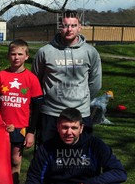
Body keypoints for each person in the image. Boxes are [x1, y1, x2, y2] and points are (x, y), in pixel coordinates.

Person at [32, 10, 102, 144]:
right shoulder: (45, 52)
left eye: (73, 25)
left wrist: (82, 99)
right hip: (51, 114)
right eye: (65, 26)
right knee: (48, 158)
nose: (69, 29)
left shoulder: (91, 52)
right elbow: (35, 82)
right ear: (59, 28)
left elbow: (95, 84)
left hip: (81, 113)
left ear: (79, 27)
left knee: (79, 158)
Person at [0, 39, 43, 184]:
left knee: (15, 161)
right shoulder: (0, 76)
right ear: (8, 56)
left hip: (20, 127)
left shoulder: (31, 78)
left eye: (20, 54)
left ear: (27, 56)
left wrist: (31, 132)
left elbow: (37, 107)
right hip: (1, 127)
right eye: (13, 54)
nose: (16, 57)